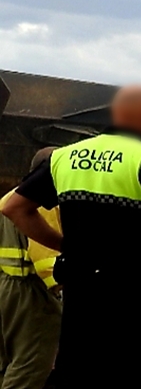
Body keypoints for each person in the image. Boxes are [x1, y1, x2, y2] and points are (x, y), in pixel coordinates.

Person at [2, 85, 141, 389]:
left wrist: (65, 246)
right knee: (126, 371)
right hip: (134, 286)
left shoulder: (65, 157)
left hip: (81, 281)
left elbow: (14, 207)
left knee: (73, 369)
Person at [0, 148, 62, 389]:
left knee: (5, 366)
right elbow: (46, 261)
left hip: (5, 290)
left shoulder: (8, 198)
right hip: (31, 296)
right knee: (29, 368)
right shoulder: (42, 203)